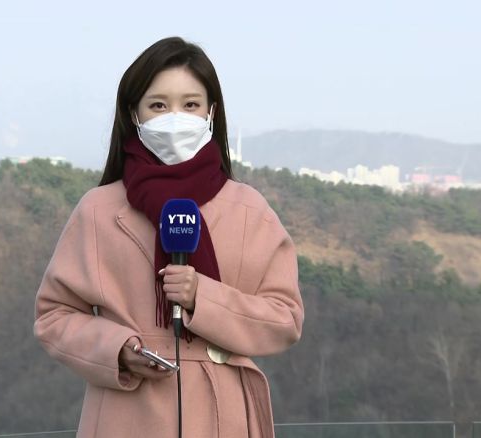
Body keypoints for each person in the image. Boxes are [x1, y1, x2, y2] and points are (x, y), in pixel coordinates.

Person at [34, 36, 304, 438]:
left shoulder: (249, 210)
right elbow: (54, 315)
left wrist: (203, 297)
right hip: (128, 414)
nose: (175, 118)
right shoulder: (98, 210)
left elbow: (285, 318)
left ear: (211, 112)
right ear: (134, 114)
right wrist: (118, 349)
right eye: (158, 106)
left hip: (222, 412)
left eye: (190, 105)